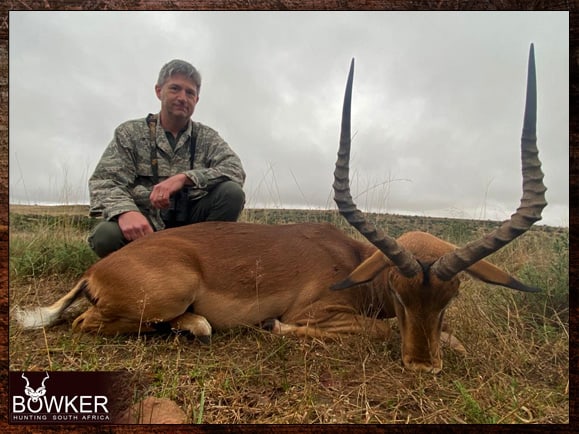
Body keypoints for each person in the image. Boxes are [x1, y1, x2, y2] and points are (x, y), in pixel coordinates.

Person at [87, 59, 246, 258]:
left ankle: (205, 266)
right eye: (175, 89)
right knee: (105, 236)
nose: (182, 98)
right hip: (145, 226)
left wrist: (183, 178)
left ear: (196, 100)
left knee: (231, 192)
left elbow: (235, 169)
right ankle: (136, 278)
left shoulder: (207, 137)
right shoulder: (130, 133)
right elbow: (105, 181)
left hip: (193, 228)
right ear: (158, 91)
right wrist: (125, 212)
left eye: (190, 93)